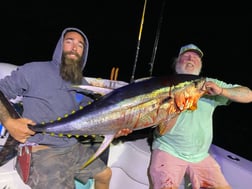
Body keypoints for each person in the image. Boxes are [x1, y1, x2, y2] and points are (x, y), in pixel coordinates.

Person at [0, 27, 130, 189]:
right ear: (60, 46)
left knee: (105, 175)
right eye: (69, 42)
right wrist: (9, 122)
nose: (74, 47)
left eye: (80, 45)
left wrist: (115, 128)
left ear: (84, 53)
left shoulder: (84, 85)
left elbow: (94, 119)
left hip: (72, 148)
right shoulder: (35, 70)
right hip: (42, 151)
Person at [149, 43, 252, 189]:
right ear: (176, 62)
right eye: (186, 56)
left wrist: (222, 91)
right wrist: (176, 102)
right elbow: (161, 130)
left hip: (200, 155)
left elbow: (249, 95)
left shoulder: (209, 84)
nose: (191, 58)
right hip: (168, 150)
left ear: (201, 65)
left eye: (196, 57)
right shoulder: (163, 85)